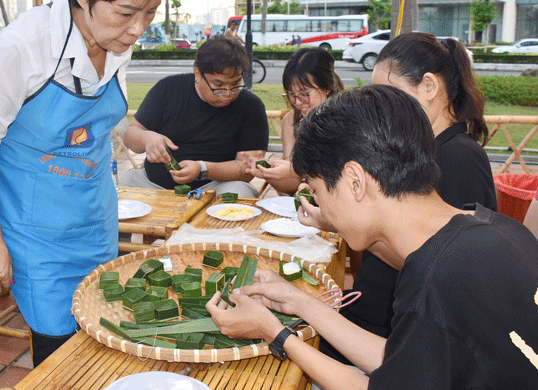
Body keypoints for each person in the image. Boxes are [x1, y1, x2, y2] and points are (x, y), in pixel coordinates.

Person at [207, 85, 538, 390]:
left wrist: (276, 334)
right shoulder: (495, 231)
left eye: (318, 189)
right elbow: (399, 360)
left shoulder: (436, 279)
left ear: (355, 181)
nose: (319, 203)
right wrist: (298, 301)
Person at [0, 0, 170, 366]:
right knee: (58, 352)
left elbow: (105, 123)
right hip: (37, 233)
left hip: (95, 218)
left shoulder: (119, 43)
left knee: (104, 333)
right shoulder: (20, 50)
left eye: (149, 14)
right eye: (125, 14)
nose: (138, 30)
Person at [299, 32, 498, 359]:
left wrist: (351, 227)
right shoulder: (419, 150)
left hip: (394, 335)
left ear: (430, 87)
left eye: (390, 93)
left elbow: (445, 269)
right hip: (374, 315)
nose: (382, 105)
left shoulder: (460, 156)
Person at [120, 34, 269, 197]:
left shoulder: (251, 106)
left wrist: (203, 169)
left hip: (216, 187)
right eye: (218, 85)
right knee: (107, 186)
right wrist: (146, 138)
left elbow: (247, 170)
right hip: (151, 184)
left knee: (239, 194)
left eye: (235, 85)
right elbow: (130, 136)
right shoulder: (168, 89)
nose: (227, 94)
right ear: (197, 73)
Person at [245, 47, 343, 195]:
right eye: (291, 94)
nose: (297, 102)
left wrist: (297, 173)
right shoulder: (291, 121)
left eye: (304, 94)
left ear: (327, 87)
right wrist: (270, 174)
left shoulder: (347, 121)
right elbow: (289, 189)